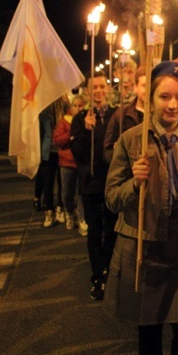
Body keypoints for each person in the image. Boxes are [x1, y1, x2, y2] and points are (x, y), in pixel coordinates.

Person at [104, 61, 178, 355]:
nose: (172, 104)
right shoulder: (131, 140)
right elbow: (112, 198)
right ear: (151, 98)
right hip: (146, 245)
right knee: (149, 330)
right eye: (164, 96)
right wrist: (134, 184)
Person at [70, 70, 117, 301]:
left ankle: (109, 269)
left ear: (108, 89)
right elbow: (77, 155)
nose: (98, 91)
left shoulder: (116, 116)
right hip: (90, 183)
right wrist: (86, 133)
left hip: (110, 183)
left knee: (112, 230)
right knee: (94, 231)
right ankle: (97, 275)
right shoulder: (80, 119)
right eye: (94, 87)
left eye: (102, 86)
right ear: (88, 91)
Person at [53, 95, 86, 231]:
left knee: (81, 192)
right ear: (71, 107)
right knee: (67, 192)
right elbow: (57, 139)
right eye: (75, 106)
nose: (78, 109)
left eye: (80, 105)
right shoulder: (64, 122)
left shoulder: (87, 120)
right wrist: (70, 136)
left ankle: (82, 218)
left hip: (82, 162)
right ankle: (69, 213)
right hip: (67, 163)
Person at [103, 66, 146, 164]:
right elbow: (108, 150)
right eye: (144, 85)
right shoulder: (121, 115)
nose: (148, 90)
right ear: (136, 87)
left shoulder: (160, 114)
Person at [36, 96, 67, 226]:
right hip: (48, 150)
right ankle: (49, 210)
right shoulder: (43, 108)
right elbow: (40, 131)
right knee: (48, 182)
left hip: (62, 149)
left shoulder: (65, 105)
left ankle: (60, 208)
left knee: (62, 182)